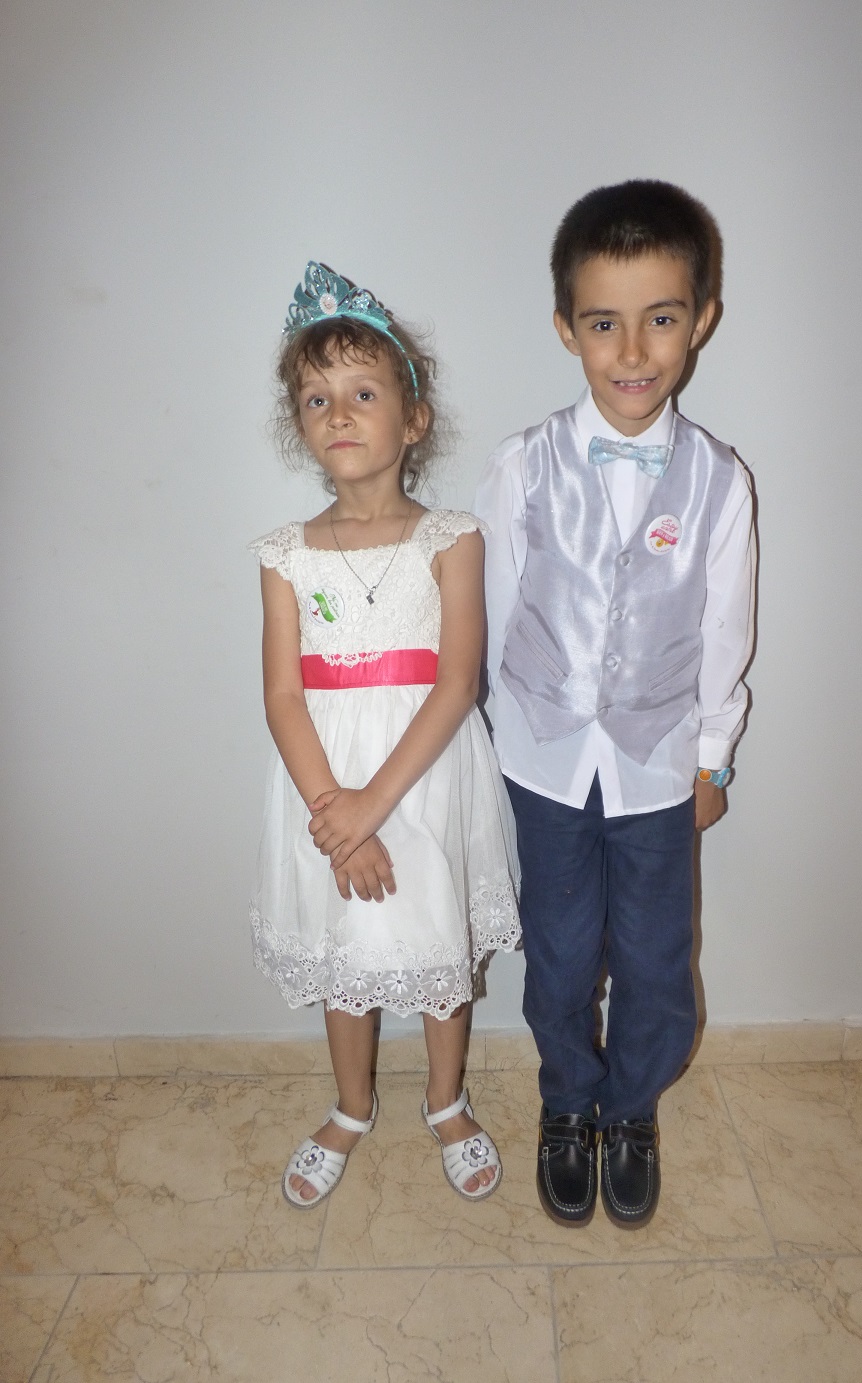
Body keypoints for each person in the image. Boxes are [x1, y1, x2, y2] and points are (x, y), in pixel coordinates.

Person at [474, 181, 756, 1229]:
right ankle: (567, 1101)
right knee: (556, 953)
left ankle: (630, 1107)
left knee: (652, 960)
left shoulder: (720, 481)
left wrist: (712, 758)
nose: (632, 349)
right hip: (542, 759)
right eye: (603, 323)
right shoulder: (521, 465)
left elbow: (726, 631)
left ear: (701, 321)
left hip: (656, 766)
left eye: (661, 317)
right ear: (565, 328)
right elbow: (490, 617)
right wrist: (483, 744)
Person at [250, 263, 520, 1209]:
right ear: (299, 423)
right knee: (345, 951)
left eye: (363, 393)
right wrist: (338, 814)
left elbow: (456, 684)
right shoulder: (284, 554)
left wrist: (375, 805)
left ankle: (446, 1101)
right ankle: (352, 1105)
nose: (338, 413)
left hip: (426, 773)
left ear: (412, 419)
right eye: (316, 398)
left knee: (440, 942)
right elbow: (283, 695)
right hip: (325, 782)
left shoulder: (453, 539)